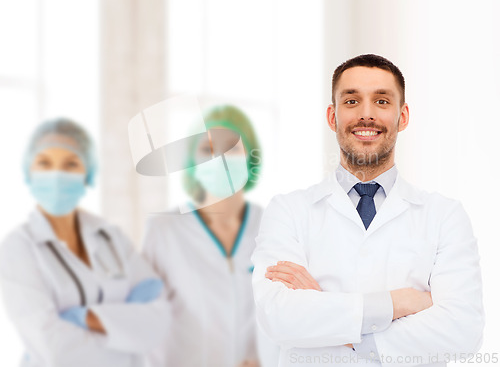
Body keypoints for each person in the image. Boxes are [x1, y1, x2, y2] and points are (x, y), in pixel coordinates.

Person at [251, 54, 484, 367]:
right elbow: (278, 318)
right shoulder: (288, 211)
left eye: (382, 101)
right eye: (351, 101)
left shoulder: (444, 216)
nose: (366, 114)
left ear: (403, 117)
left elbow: (462, 330)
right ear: (332, 117)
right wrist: (397, 303)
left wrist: (332, 320)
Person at [0, 118, 169, 367]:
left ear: (87, 173)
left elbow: (157, 322)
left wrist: (83, 318)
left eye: (71, 164)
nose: (56, 175)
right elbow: (53, 350)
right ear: (29, 171)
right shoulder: (18, 248)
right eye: (44, 163)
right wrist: (125, 333)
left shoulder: (111, 237)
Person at [142, 105, 279, 367]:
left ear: (250, 158)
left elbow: (294, 314)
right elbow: (148, 324)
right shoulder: (164, 230)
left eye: (232, 147)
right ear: (191, 163)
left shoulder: (275, 226)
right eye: (207, 149)